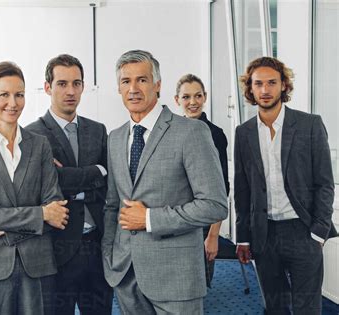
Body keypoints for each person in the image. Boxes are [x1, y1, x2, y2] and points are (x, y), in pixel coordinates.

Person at [101, 49, 228, 315]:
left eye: (142, 80)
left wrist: (149, 219)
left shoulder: (191, 132)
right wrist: (109, 256)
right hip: (125, 273)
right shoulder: (115, 137)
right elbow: (113, 205)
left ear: (157, 85)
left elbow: (214, 204)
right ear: (119, 88)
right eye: (126, 81)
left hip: (176, 276)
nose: (133, 88)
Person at [0, 61, 69, 314]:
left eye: (19, 95)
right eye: (4, 95)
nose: (13, 103)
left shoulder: (40, 145)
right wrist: (40, 214)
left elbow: (57, 211)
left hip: (36, 266)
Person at [235, 56, 337, 314]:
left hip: (303, 231)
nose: (265, 90)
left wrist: (318, 232)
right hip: (264, 234)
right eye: (258, 84)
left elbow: (325, 182)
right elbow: (242, 189)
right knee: (275, 307)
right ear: (250, 89)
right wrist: (244, 237)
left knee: (307, 308)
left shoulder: (309, 125)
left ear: (283, 86)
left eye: (272, 83)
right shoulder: (243, 132)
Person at [26, 54, 113, 315]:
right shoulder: (32, 134)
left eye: (76, 83)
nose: (70, 91)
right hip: (57, 245)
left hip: (97, 243)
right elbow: (47, 183)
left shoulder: (97, 130)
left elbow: (109, 181)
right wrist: (95, 171)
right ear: (47, 87)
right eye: (62, 84)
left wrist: (72, 179)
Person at [174, 73, 230, 287]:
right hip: (177, 219)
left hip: (204, 222)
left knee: (199, 285)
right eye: (186, 97)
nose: (193, 102)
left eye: (198, 96)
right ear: (177, 100)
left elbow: (222, 188)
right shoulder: (171, 132)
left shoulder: (214, 134)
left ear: (205, 97)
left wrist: (213, 235)